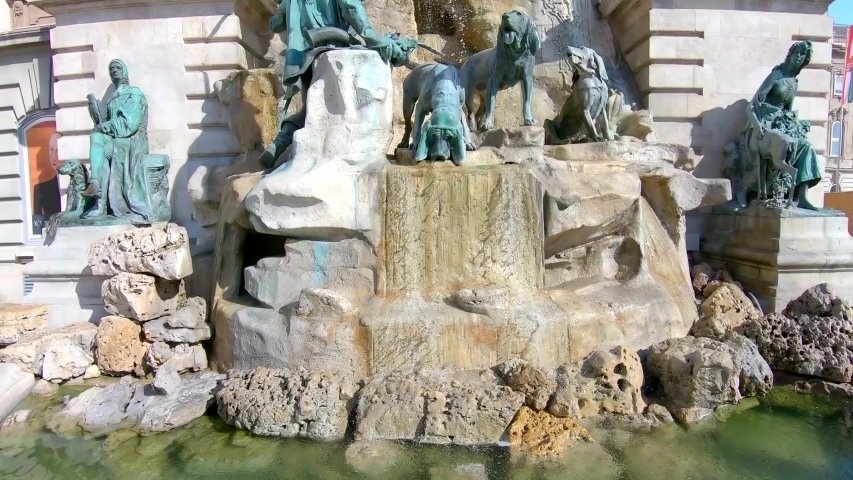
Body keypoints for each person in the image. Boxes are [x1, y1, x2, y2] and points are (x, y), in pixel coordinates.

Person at [259, 0, 407, 167]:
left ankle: (280, 142)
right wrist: (372, 37)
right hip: (332, 46)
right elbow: (351, 6)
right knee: (325, 109)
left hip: (303, 57)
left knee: (308, 110)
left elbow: (275, 25)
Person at [741, 41, 822, 210]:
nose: (799, 57)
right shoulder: (776, 75)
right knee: (780, 143)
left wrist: (797, 125)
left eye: (803, 55)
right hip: (761, 125)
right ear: (790, 55)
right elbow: (751, 107)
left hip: (780, 126)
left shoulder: (794, 83)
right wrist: (757, 125)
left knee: (806, 147)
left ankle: (802, 196)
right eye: (797, 53)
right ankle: (758, 191)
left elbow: (788, 112)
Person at [81, 59, 160, 222]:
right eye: (111, 69)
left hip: (132, 141)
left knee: (105, 148)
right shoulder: (111, 98)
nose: (114, 70)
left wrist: (105, 127)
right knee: (96, 138)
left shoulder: (134, 93)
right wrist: (97, 119)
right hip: (117, 140)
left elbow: (129, 124)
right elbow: (108, 125)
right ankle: (96, 189)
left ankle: (100, 202)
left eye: (117, 67)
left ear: (124, 71)